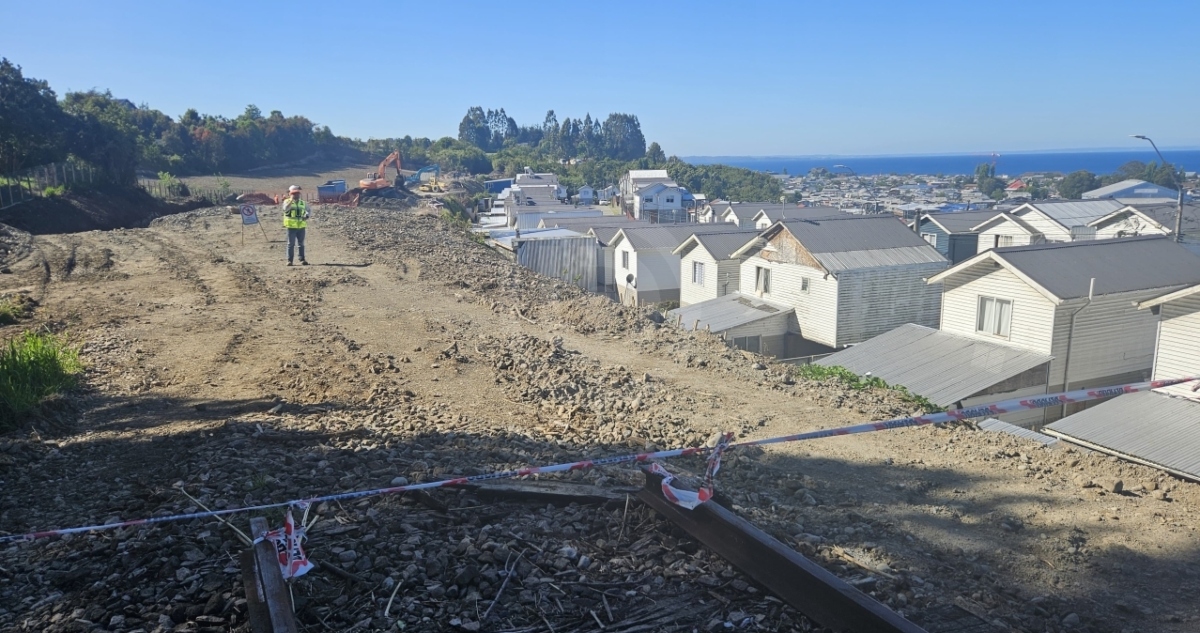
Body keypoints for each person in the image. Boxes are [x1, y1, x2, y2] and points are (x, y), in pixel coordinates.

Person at [282, 185, 309, 266]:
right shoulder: (286, 202)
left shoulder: (303, 203)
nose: (295, 195)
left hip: (301, 226)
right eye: (293, 194)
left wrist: (307, 215)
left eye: (297, 194)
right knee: (291, 244)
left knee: (301, 244)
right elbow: (285, 209)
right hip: (291, 227)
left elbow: (308, 211)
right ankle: (290, 260)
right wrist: (291, 201)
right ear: (290, 194)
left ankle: (302, 259)